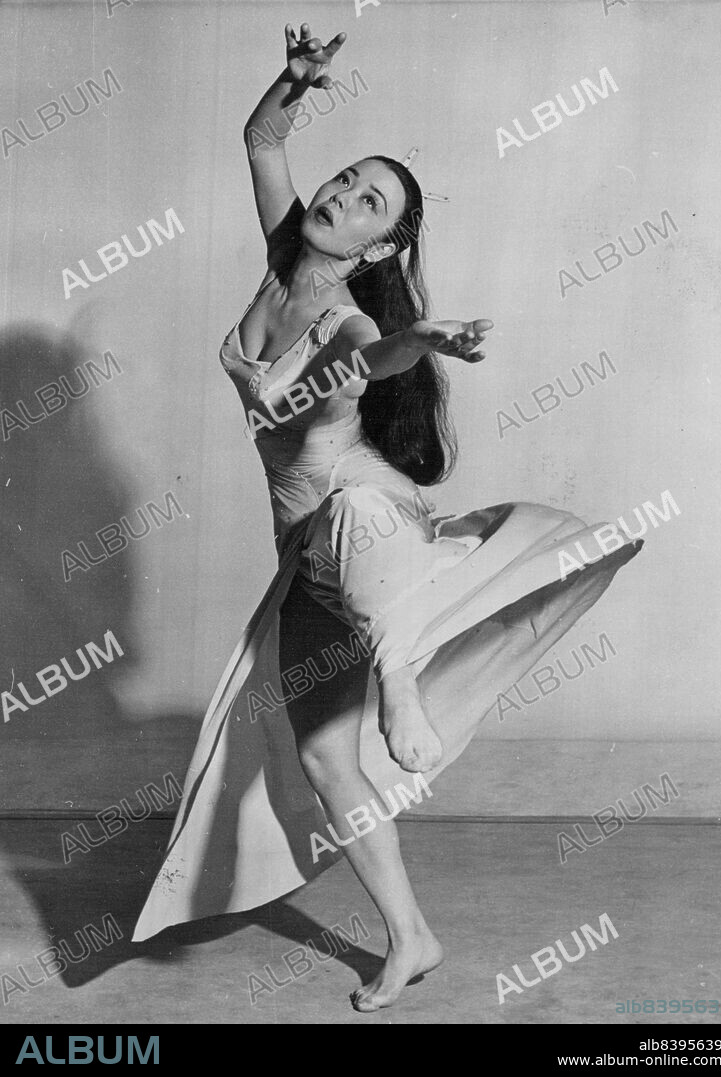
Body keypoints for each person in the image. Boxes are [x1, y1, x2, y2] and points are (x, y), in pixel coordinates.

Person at [133, 23, 642, 1013]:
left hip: (370, 542)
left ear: (384, 243)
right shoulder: (286, 254)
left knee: (354, 504)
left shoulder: (353, 324)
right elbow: (261, 142)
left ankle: (398, 670)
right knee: (327, 757)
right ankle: (412, 937)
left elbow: (367, 363)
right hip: (309, 563)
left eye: (369, 202)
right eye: (346, 180)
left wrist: (420, 337)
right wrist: (295, 80)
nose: (340, 197)